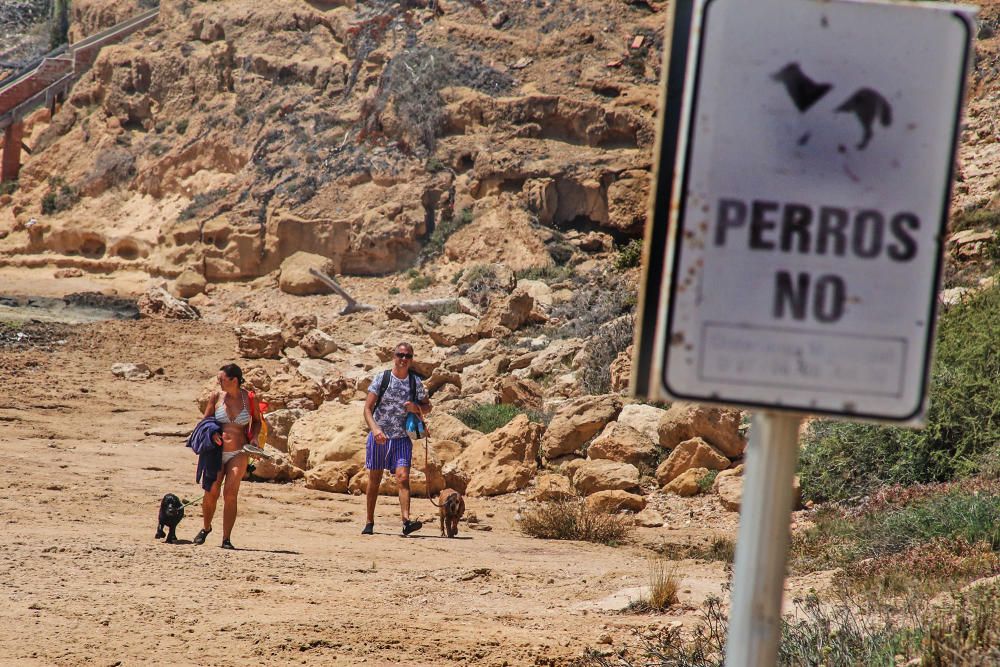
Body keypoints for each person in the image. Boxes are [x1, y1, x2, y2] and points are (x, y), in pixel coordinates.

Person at [362, 342, 432, 536]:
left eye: (407, 356)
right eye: (400, 355)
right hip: (379, 438)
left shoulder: (414, 382)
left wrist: (416, 408)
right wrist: (375, 429)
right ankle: (369, 522)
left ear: (411, 359)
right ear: (393, 356)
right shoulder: (382, 378)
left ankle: (406, 521)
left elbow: (428, 407)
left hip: (401, 438)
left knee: (403, 478)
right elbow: (367, 409)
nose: (403, 359)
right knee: (374, 479)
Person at [194, 363, 261, 549]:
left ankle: (226, 539)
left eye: (221, 379)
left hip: (239, 452)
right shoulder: (216, 397)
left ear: (234, 380)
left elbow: (256, 422)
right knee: (211, 492)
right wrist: (212, 433)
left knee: (231, 493)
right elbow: (205, 422)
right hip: (216, 452)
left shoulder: (250, 398)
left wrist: (254, 437)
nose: (219, 383)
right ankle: (206, 527)